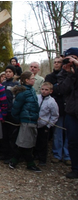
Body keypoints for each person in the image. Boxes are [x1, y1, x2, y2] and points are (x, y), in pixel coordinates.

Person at [9, 71, 41, 172]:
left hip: (32, 119)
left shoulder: (31, 90)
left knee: (27, 142)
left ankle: (14, 161)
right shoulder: (23, 93)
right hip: (26, 120)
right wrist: (19, 120)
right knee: (25, 143)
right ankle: (29, 163)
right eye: (32, 78)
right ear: (26, 80)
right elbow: (16, 109)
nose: (34, 80)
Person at [56, 47, 78, 179]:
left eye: (73, 59)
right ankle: (75, 168)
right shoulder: (64, 73)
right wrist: (70, 74)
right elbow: (62, 89)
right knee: (73, 141)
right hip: (71, 112)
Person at [45, 56, 71, 165]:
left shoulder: (69, 75)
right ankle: (57, 154)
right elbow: (51, 90)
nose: (56, 64)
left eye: (59, 62)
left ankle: (68, 155)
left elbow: (66, 89)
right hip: (57, 107)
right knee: (57, 133)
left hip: (69, 108)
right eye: (55, 62)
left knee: (69, 133)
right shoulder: (50, 77)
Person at [0, 65, 20, 163]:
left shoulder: (16, 84)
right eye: (6, 72)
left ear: (13, 73)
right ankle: (4, 153)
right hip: (3, 112)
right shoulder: (2, 84)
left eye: (10, 72)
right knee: (4, 134)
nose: (7, 73)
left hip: (12, 112)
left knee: (12, 135)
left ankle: (12, 155)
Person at [34, 82, 59, 166]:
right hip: (35, 124)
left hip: (44, 125)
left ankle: (42, 159)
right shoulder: (37, 98)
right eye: (42, 89)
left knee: (43, 143)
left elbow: (55, 115)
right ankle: (35, 155)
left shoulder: (52, 102)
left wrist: (48, 125)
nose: (44, 91)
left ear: (50, 91)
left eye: (46, 90)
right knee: (35, 141)